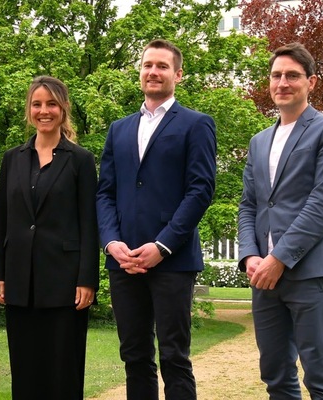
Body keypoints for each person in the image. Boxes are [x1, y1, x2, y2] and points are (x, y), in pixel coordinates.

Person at [96, 39, 217, 400]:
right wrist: (112, 243)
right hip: (124, 261)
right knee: (134, 356)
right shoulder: (119, 128)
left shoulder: (197, 124)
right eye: (148, 65)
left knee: (174, 357)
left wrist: (162, 245)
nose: (153, 71)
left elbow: (200, 191)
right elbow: (105, 192)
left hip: (173, 261)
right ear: (140, 73)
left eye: (162, 66)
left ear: (178, 74)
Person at [238, 42, 323, 399]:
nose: (282, 82)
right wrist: (250, 256)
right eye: (276, 75)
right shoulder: (258, 141)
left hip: (311, 275)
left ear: (311, 82)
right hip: (264, 279)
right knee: (275, 376)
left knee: (319, 377)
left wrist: (279, 258)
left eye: (292, 75)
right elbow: (249, 206)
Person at [0, 76, 99, 399]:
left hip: (65, 284)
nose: (44, 110)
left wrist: (87, 279)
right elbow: (3, 219)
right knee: (25, 373)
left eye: (51, 103)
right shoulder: (12, 159)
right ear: (29, 110)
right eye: (37, 104)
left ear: (63, 109)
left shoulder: (80, 160)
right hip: (20, 281)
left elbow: (89, 224)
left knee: (62, 374)